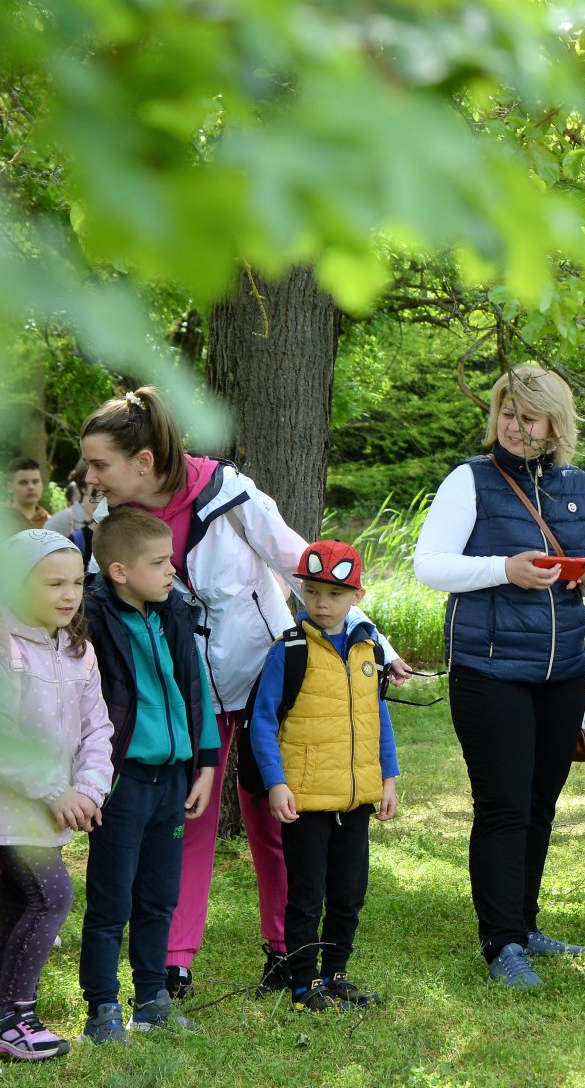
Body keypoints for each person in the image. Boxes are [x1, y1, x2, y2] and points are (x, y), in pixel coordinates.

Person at [79, 386, 410, 1000]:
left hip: (265, 681)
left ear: (144, 462)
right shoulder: (111, 526)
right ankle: (174, 965)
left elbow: (299, 564)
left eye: (101, 465)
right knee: (190, 819)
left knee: (274, 819)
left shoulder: (230, 496)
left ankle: (290, 953)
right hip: (181, 697)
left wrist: (378, 646)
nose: (91, 478)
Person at [412, 365, 585, 989]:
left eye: (530, 416)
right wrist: (504, 569)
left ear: (554, 423)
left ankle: (525, 923)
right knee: (503, 807)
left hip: (563, 668)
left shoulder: (576, 484)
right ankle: (502, 946)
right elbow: (430, 567)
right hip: (490, 669)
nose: (516, 428)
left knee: (541, 804)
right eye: (507, 414)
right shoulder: (469, 480)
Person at [0, 530, 115, 1061]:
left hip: (55, 805)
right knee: (52, 896)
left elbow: (98, 730)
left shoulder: (77, 650)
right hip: (7, 805)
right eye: (53, 584)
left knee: (21, 901)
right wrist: (54, 789)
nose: (69, 595)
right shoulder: (4, 648)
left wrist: (88, 788)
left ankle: (9, 1017)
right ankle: (13, 1017)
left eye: (76, 583)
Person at [79, 509, 217, 1043]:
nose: (171, 572)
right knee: (111, 897)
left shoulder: (173, 613)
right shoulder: (94, 619)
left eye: (171, 561)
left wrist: (205, 764)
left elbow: (195, 685)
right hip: (123, 781)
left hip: (173, 780)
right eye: (158, 563)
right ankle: (102, 1006)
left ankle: (151, 999)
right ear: (118, 571)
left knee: (160, 895)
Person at [250, 541, 400, 1012]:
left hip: (356, 799)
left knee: (349, 892)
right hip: (308, 800)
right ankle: (302, 982)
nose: (321, 603)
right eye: (312, 592)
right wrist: (276, 782)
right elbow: (263, 722)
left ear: (356, 595)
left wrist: (388, 777)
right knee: (307, 895)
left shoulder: (366, 648)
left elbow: (379, 717)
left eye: (334, 595)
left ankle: (337, 974)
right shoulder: (290, 650)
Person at [6, 456, 50, 531]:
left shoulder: (50, 522)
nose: (31, 487)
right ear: (10, 487)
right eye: (23, 483)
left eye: (35, 482)